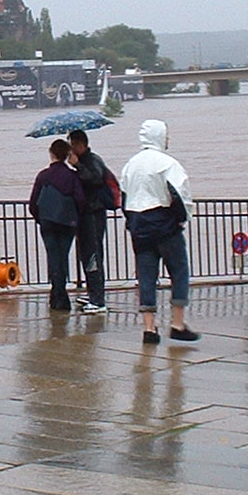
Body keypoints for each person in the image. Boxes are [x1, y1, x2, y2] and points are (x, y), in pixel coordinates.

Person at [120, 119, 199, 344]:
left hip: (139, 225)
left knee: (146, 275)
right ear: (160, 136)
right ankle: (177, 323)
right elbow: (180, 194)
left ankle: (149, 328)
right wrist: (181, 219)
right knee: (179, 271)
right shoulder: (167, 163)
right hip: (164, 223)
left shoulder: (130, 165)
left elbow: (124, 197)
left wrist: (132, 220)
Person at [29, 138, 85, 312]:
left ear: (51, 153)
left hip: (48, 223)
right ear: (67, 154)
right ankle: (60, 294)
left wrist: (41, 218)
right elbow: (80, 200)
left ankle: (57, 295)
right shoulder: (72, 176)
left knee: (53, 257)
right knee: (63, 256)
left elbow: (33, 203)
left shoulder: (43, 176)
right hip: (67, 223)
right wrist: (75, 218)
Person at [68, 128, 117, 312]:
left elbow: (95, 179)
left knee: (93, 254)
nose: (71, 149)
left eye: (73, 145)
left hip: (93, 214)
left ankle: (98, 300)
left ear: (81, 144)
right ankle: (92, 292)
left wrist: (78, 166)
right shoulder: (86, 161)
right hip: (86, 214)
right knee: (86, 254)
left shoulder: (92, 160)